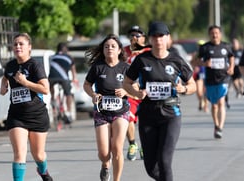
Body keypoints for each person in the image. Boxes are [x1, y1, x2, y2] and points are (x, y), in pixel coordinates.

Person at [123, 21, 196, 181]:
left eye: (161, 36)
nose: (158, 40)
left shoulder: (176, 60)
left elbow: (193, 85)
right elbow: (126, 83)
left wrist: (183, 89)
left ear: (167, 38)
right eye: (154, 36)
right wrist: (136, 92)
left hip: (171, 114)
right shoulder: (142, 60)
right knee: (151, 168)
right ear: (150, 39)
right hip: (148, 115)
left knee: (164, 161)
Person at [0, 33, 53, 181]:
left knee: (39, 155)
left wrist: (25, 82)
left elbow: (45, 89)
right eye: (15, 44)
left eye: (21, 44)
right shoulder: (10, 65)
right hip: (17, 116)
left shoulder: (35, 65)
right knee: (19, 153)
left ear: (29, 47)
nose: (17, 47)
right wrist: (3, 85)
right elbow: (6, 76)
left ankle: (43, 171)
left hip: (37, 115)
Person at [83, 34, 130, 181]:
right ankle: (105, 165)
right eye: (106, 46)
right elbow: (87, 85)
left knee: (117, 148)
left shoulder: (125, 68)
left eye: (113, 46)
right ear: (103, 50)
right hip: (102, 112)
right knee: (104, 153)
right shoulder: (98, 67)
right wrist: (93, 94)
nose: (109, 48)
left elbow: (135, 87)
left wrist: (125, 91)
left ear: (119, 50)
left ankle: (116, 179)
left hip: (121, 111)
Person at [197, 25, 234, 139]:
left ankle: (220, 128)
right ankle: (216, 125)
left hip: (224, 78)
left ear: (220, 34)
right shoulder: (205, 47)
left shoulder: (226, 46)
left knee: (221, 102)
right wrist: (204, 64)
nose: (215, 35)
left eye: (217, 33)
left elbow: (231, 56)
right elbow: (196, 61)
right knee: (214, 106)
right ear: (210, 35)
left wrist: (231, 67)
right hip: (211, 79)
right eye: (212, 33)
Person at [124, 25, 151, 161]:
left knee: (147, 122)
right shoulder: (124, 52)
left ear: (144, 38)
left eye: (137, 35)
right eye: (132, 35)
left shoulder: (150, 51)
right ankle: (133, 144)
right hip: (132, 93)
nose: (134, 38)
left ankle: (145, 145)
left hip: (149, 93)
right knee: (129, 117)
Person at [49, 42, 78, 124]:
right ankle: (68, 111)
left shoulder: (53, 57)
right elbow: (73, 70)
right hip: (64, 78)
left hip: (52, 77)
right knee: (68, 93)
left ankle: (53, 100)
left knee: (51, 84)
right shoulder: (69, 57)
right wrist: (74, 79)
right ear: (66, 49)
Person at [190, 40, 209, 112]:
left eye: (202, 45)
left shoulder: (208, 53)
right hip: (199, 74)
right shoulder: (196, 54)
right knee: (199, 91)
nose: (201, 47)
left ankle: (206, 106)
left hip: (207, 73)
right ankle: (201, 101)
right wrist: (195, 66)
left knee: (206, 91)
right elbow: (192, 62)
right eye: (199, 45)